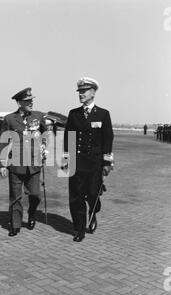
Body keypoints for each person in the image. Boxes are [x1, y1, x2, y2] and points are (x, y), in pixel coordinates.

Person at [63, 77, 114, 242]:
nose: (81, 94)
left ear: (93, 92)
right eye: (79, 92)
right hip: (77, 161)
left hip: (95, 163)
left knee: (93, 194)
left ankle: (93, 211)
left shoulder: (103, 114)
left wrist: (107, 163)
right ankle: (79, 229)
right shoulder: (74, 114)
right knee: (76, 196)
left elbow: (108, 139)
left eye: (84, 91)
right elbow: (68, 139)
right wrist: (65, 163)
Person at [0, 87, 48, 237]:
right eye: (27, 100)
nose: (31, 102)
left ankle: (32, 214)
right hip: (16, 163)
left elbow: (45, 134)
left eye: (31, 100)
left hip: (34, 163)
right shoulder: (9, 119)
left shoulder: (39, 116)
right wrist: (2, 163)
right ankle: (15, 224)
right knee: (15, 196)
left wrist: (44, 147)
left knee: (35, 194)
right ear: (19, 102)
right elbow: (3, 142)